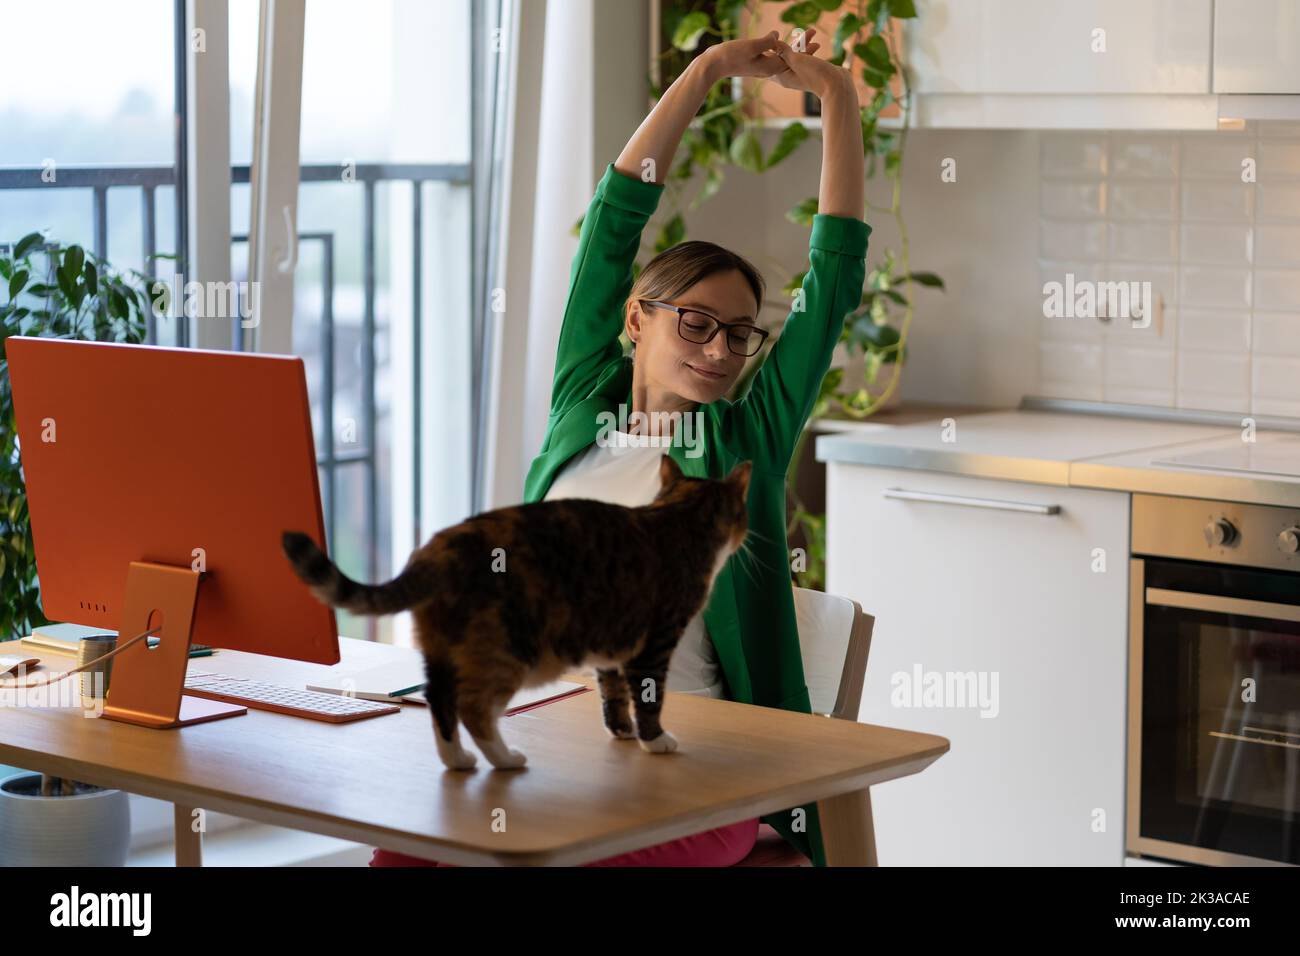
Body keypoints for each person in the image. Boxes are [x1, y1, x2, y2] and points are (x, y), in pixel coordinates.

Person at [371, 26, 869, 868]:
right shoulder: (581, 401)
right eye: (697, 324)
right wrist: (708, 69)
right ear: (637, 320)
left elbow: (835, 276)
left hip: (690, 769)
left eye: (739, 335)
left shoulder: (746, 435)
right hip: (546, 743)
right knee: (403, 854)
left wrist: (842, 101)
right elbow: (612, 225)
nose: (718, 350)